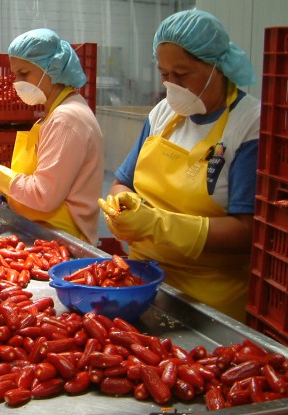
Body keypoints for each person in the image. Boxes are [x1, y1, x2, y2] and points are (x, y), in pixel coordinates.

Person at [98, 10, 259, 322]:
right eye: (164, 74)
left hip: (209, 303)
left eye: (182, 75)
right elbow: (122, 181)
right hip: (142, 284)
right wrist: (123, 207)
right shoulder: (163, 113)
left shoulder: (249, 124)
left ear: (218, 67)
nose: (171, 85)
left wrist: (159, 225)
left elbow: (247, 232)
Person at [0, 28, 104, 244]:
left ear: (53, 69)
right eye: (15, 74)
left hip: (64, 240)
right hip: (45, 231)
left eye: (24, 73)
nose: (17, 82)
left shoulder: (66, 119)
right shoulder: (55, 112)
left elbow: (43, 196)